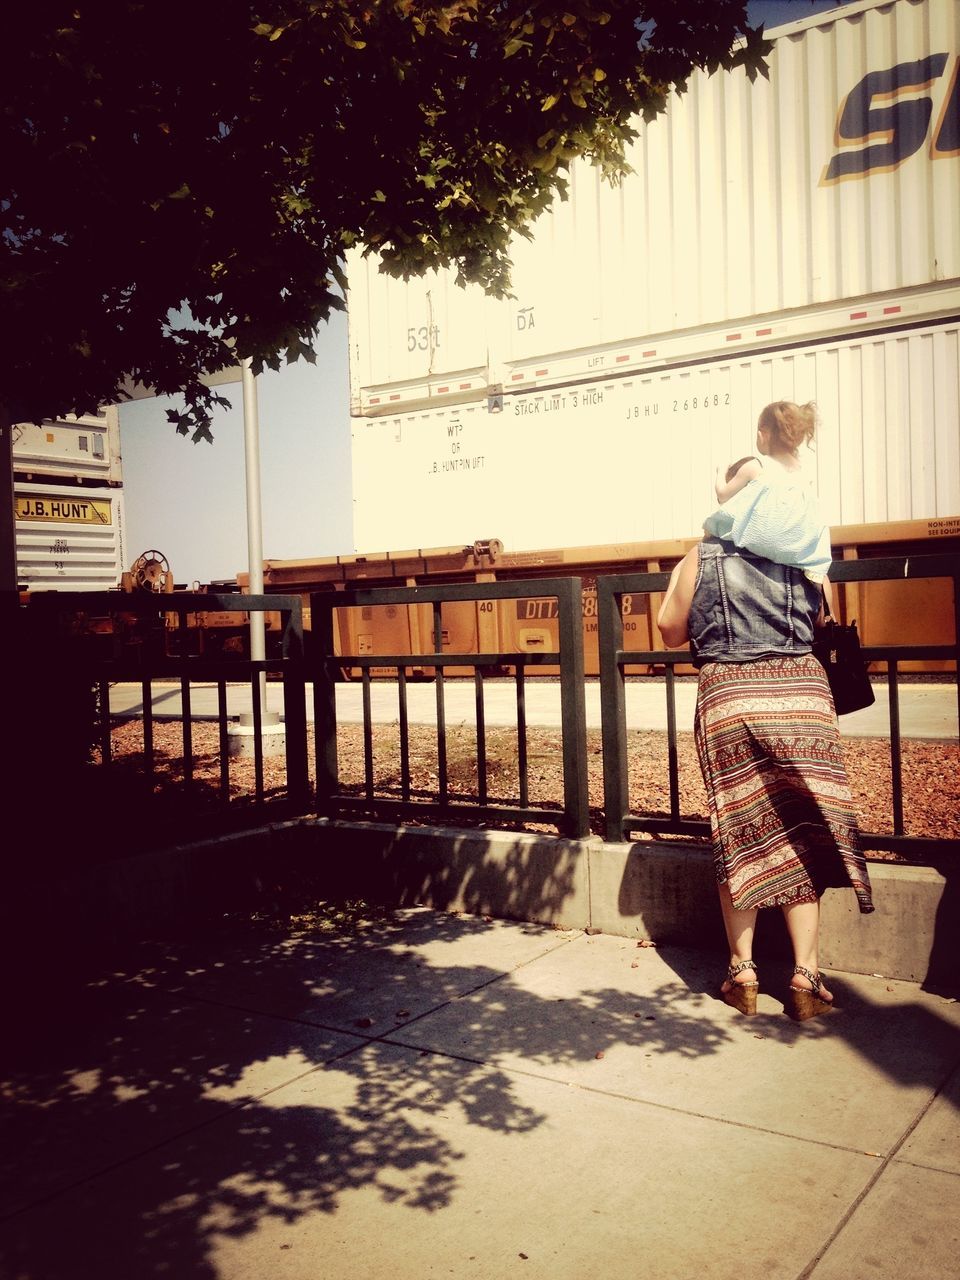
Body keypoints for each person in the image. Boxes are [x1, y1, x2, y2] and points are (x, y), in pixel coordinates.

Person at [656, 535, 873, 1021]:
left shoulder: (702, 555)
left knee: (738, 825)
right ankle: (806, 974)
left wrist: (681, 575)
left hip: (730, 694)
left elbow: (670, 630)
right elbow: (821, 621)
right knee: (805, 828)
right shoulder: (805, 552)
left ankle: (743, 970)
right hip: (802, 695)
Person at [703, 399, 831, 584]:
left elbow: (722, 495)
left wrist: (720, 471)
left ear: (762, 435)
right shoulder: (803, 474)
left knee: (711, 532)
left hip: (764, 540)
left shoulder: (756, 466)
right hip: (796, 547)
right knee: (820, 575)